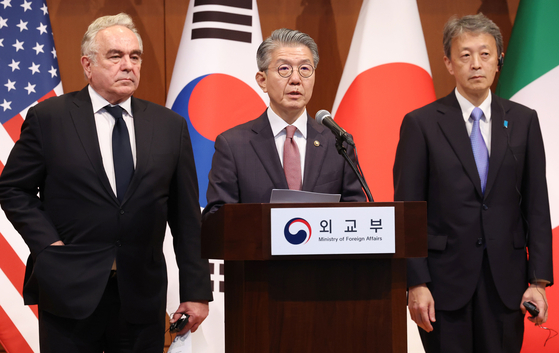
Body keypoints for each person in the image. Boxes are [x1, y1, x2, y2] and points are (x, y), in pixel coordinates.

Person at [0, 13, 212, 352]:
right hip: (69, 290)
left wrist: (197, 291)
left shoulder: (169, 126)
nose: (128, 65)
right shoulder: (49, 119)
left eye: (135, 56)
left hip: (141, 296)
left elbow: (187, 215)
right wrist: (48, 245)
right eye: (116, 56)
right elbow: (13, 188)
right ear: (88, 64)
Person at [393, 13, 553, 352]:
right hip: (442, 285)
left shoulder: (523, 121)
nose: (476, 64)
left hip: (506, 284)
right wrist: (416, 282)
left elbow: (537, 205)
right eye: (465, 55)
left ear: (499, 61)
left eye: (485, 54)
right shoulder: (421, 124)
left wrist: (538, 282)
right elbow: (407, 210)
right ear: (449, 64)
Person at [203, 28, 365, 217]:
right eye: (284, 69)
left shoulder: (338, 144)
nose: (296, 79)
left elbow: (358, 214)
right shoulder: (233, 145)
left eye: (305, 69)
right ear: (262, 80)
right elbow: (217, 218)